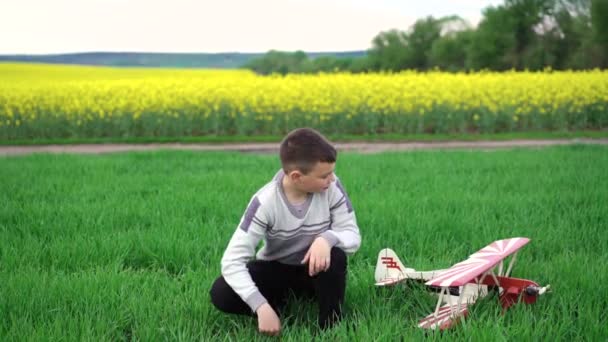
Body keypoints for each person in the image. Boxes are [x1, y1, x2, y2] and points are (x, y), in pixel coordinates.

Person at [209, 127, 361, 336]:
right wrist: (260, 306)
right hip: (277, 270)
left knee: (336, 255)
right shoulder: (265, 202)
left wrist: (326, 239)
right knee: (221, 292)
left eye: (332, 172)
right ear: (297, 176)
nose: (332, 179)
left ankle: (331, 326)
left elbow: (352, 234)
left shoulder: (332, 188)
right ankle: (274, 309)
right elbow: (232, 261)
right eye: (324, 175)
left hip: (314, 270)